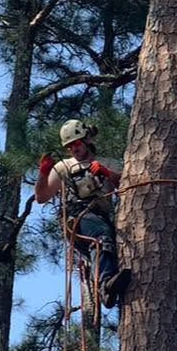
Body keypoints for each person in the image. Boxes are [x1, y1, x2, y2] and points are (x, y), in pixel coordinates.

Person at [35, 119, 131, 308]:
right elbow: (42, 196)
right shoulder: (64, 167)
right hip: (77, 217)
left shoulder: (107, 163)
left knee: (107, 244)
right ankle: (105, 286)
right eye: (69, 147)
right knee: (100, 237)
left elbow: (127, 185)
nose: (73, 149)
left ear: (86, 140)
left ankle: (110, 279)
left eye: (76, 144)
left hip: (101, 218)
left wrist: (107, 173)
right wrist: (44, 174)